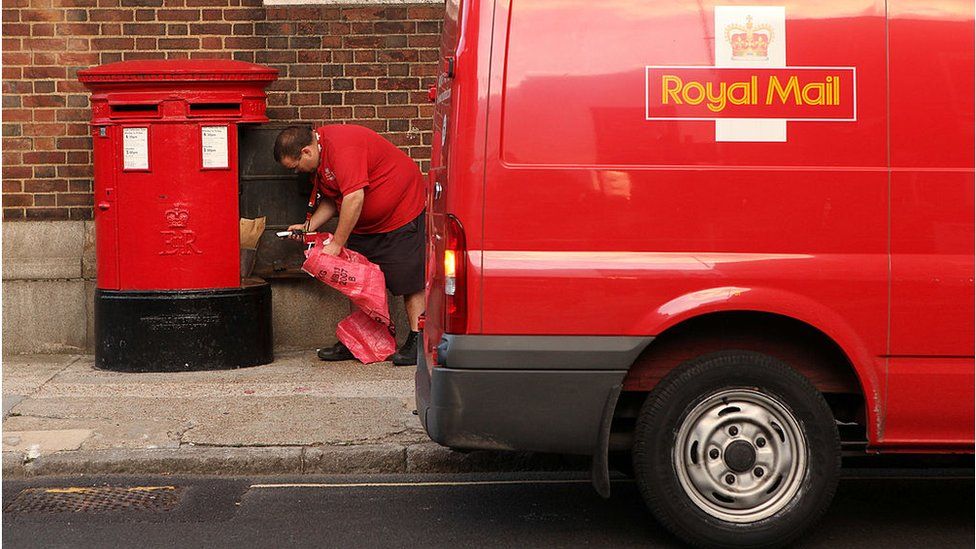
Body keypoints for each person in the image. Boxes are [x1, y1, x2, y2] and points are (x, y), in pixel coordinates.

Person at [274, 125, 426, 366]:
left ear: (306, 152)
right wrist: (307, 227)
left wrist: (337, 243)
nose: (297, 173)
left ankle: (420, 340)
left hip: (402, 213)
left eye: (295, 167)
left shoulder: (343, 148)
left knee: (409, 279)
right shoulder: (320, 161)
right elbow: (335, 201)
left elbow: (354, 198)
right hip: (366, 225)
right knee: (357, 281)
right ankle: (360, 340)